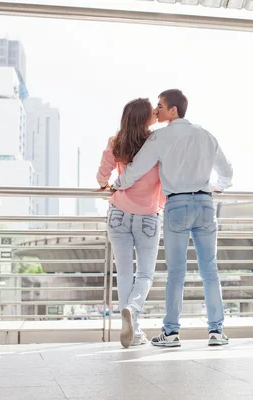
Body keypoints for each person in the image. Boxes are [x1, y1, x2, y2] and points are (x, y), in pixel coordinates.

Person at [112, 89, 233, 347]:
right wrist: (218, 185)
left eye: (160, 106)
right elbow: (227, 171)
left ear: (173, 110)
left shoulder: (160, 138)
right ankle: (216, 332)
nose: (156, 110)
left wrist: (117, 184)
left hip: (176, 205)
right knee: (209, 270)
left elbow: (136, 169)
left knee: (176, 273)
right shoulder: (206, 135)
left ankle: (171, 333)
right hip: (204, 203)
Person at [97, 98, 165, 348]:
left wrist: (107, 187)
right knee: (145, 273)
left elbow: (102, 175)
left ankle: (134, 332)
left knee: (124, 273)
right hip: (147, 215)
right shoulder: (156, 141)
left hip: (118, 212)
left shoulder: (116, 141)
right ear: (145, 118)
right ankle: (133, 310)